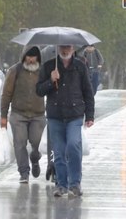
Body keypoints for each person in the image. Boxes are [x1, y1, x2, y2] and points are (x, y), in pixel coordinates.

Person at [36, 44, 95, 198]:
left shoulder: (80, 66)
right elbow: (39, 90)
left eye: (68, 47)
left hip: (74, 115)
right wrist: (50, 80)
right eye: (62, 47)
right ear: (58, 47)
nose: (65, 50)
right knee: (59, 152)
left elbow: (88, 91)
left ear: (73, 47)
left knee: (74, 145)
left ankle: (75, 183)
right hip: (55, 116)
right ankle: (61, 185)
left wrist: (89, 115)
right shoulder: (49, 66)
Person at [0, 46, 46, 183]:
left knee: (37, 143)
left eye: (33, 56)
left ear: (38, 57)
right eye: (28, 56)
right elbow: (6, 94)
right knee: (19, 143)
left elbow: (51, 89)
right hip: (18, 114)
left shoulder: (43, 71)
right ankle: (24, 172)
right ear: (23, 57)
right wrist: (3, 116)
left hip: (38, 115)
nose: (31, 59)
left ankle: (35, 158)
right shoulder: (15, 70)